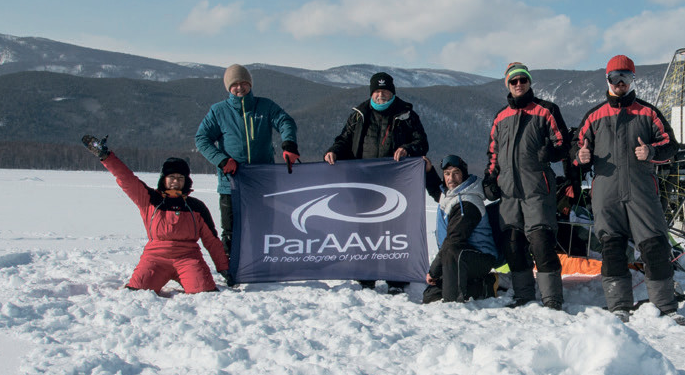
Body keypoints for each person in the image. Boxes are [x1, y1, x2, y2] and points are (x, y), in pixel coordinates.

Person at [574, 55, 683, 322]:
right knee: (612, 249)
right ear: (607, 80)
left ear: (633, 80)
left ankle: (666, 307)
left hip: (641, 191)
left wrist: (651, 151)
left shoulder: (648, 113)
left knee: (655, 245)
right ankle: (618, 308)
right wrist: (580, 156)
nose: (620, 82)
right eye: (615, 77)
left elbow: (671, 146)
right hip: (606, 194)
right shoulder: (594, 116)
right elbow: (574, 149)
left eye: (625, 77)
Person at [81, 135, 229, 295]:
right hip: (155, 258)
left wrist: (224, 268)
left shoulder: (196, 207)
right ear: (163, 179)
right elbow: (126, 178)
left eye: (180, 178)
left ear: (186, 181)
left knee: (204, 292)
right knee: (137, 292)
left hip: (188, 258)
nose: (176, 181)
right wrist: (106, 157)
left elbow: (211, 240)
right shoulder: (150, 199)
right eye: (171, 177)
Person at [323, 71, 429, 295]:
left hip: (397, 183)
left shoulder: (407, 115)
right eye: (377, 91)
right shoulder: (359, 115)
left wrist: (407, 148)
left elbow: (422, 142)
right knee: (365, 228)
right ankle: (366, 274)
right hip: (364, 183)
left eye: (385, 91)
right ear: (372, 93)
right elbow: (344, 140)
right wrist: (334, 151)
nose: (381, 95)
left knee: (395, 230)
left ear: (392, 92)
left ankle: (397, 277)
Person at [486, 62, 570, 309]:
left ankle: (552, 298)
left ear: (529, 82)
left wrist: (551, 153)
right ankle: (523, 296)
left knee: (541, 242)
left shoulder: (546, 110)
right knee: (513, 245)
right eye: (514, 81)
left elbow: (564, 144)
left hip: (537, 190)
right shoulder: (501, 117)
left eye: (523, 79)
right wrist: (489, 178)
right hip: (509, 193)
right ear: (508, 85)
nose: (519, 84)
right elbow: (493, 153)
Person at [195, 64, 299, 258]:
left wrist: (289, 144)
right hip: (231, 183)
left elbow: (285, 121)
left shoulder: (265, 106)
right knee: (231, 231)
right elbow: (201, 139)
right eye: (234, 84)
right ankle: (230, 268)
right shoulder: (219, 111)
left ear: (250, 84)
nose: (239, 87)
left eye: (243, 83)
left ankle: (263, 264)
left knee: (264, 227)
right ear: (228, 87)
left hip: (263, 181)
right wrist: (222, 160)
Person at [423, 155, 503, 304]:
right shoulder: (451, 194)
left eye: (456, 173)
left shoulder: (467, 203)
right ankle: (482, 284)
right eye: (447, 174)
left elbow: (453, 240)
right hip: (457, 256)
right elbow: (436, 192)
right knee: (430, 296)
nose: (451, 178)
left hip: (479, 258)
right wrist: (429, 172)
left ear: (464, 174)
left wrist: (434, 271)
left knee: (451, 297)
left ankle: (482, 287)